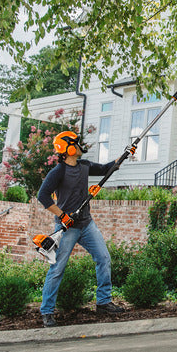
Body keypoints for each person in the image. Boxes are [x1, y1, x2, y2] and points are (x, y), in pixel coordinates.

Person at [36, 130, 125, 327]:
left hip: (86, 224)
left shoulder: (84, 166)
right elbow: (42, 196)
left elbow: (106, 169)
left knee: (103, 258)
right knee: (57, 269)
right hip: (67, 228)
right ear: (68, 149)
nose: (79, 146)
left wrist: (124, 155)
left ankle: (103, 302)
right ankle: (47, 311)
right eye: (76, 143)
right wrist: (62, 215)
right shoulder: (58, 172)